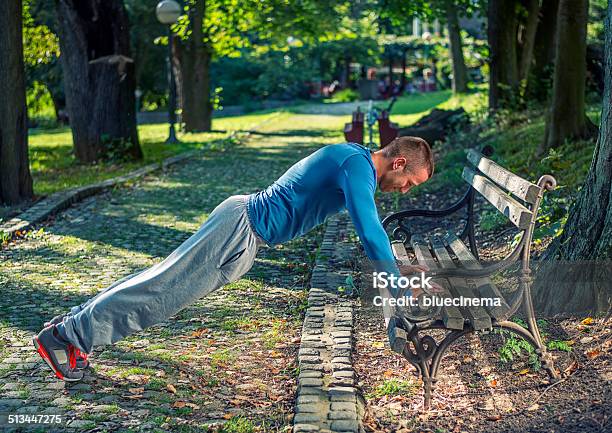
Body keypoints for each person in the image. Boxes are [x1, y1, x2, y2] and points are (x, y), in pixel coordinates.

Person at [32, 136, 435, 382]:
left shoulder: (354, 159)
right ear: (399, 163)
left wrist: (394, 268)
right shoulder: (357, 167)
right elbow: (369, 229)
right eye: (409, 183)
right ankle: (67, 338)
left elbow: (371, 230)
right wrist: (397, 285)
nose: (404, 190)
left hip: (241, 227)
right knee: (161, 292)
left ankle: (70, 328)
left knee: (160, 279)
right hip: (239, 231)